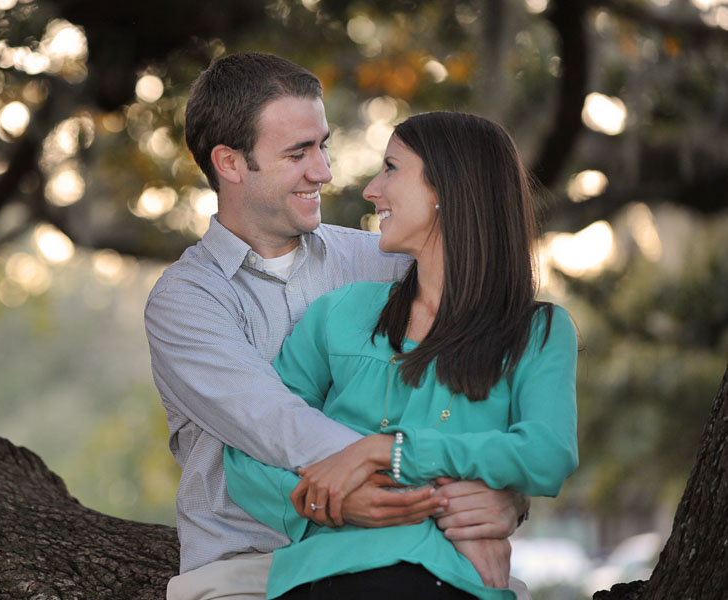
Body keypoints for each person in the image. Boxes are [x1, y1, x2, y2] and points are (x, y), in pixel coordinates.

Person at [144, 53, 528, 600]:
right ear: (229, 163)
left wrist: (506, 497)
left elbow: (499, 387)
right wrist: (436, 487)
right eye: (298, 153)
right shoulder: (187, 301)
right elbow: (277, 425)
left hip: (414, 547)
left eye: (322, 145)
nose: (323, 170)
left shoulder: (392, 263)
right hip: (255, 571)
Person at [222, 111, 579, 600]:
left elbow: (548, 454)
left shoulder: (537, 332)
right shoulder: (341, 314)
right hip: (318, 581)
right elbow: (247, 451)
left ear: (446, 190)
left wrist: (388, 451)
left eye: (391, 168)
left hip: (444, 580)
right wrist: (336, 502)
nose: (372, 189)